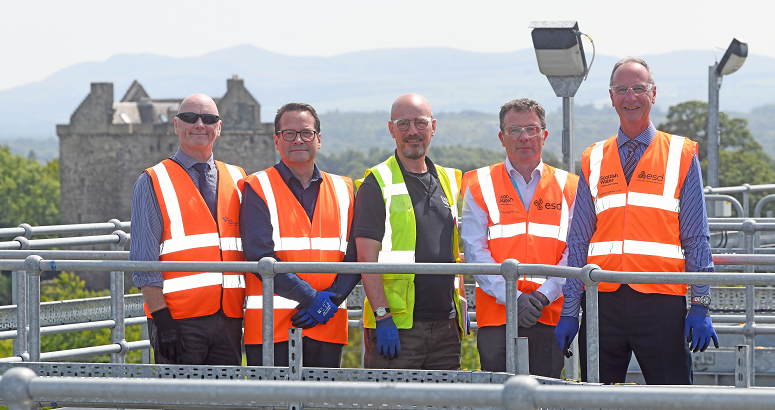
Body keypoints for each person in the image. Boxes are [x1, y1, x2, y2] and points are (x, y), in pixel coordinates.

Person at [555, 57, 719, 385]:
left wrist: (701, 302)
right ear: (612, 97)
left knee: (672, 401)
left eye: (639, 88)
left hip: (661, 302)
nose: (630, 97)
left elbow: (696, 237)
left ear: (653, 94)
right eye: (621, 90)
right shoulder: (593, 159)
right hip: (602, 303)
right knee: (597, 402)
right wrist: (570, 309)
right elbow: (579, 240)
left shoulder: (681, 154)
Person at [348, 93, 467, 370]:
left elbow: (453, 252)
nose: (412, 131)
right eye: (403, 124)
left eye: (420, 123)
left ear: (433, 127)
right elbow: (366, 259)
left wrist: (459, 313)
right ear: (392, 130)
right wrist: (382, 316)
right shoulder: (376, 183)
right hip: (398, 326)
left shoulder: (448, 180)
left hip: (446, 327)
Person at [461, 98, 578, 377]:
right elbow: (475, 250)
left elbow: (574, 252)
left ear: (544, 135)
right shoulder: (478, 184)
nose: (524, 137)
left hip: (548, 313)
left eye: (532, 129)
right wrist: (512, 297)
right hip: (496, 316)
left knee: (545, 399)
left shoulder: (570, 186)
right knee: (499, 399)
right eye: (514, 130)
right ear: (502, 137)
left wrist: (542, 296)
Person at [239, 102, 359, 367]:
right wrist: (312, 298)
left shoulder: (344, 189)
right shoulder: (257, 186)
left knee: (322, 405)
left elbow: (355, 254)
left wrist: (332, 301)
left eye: (306, 133)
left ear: (319, 139)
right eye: (289, 134)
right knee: (274, 406)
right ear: (276, 141)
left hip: (328, 322)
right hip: (272, 326)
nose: (298, 140)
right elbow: (259, 255)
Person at [130, 93, 247, 365]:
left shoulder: (239, 178)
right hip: (178, 321)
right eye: (189, 118)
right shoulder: (152, 181)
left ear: (218, 127)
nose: (199, 125)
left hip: (229, 319)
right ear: (176, 125)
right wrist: (163, 321)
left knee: (224, 402)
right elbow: (143, 260)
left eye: (208, 119)